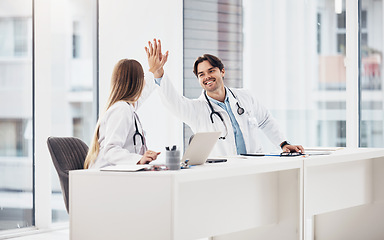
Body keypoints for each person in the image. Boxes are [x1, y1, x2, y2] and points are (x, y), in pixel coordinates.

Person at [149, 39, 304, 156]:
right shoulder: (197, 110)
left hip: (255, 167)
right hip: (224, 175)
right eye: (201, 74)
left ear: (222, 71)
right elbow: (173, 102)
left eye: (211, 71)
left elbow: (266, 120)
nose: (207, 77)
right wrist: (158, 72)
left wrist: (283, 143)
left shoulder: (245, 97)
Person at [84, 40, 168, 169]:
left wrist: (156, 71)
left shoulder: (127, 107)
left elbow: (145, 92)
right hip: (105, 177)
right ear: (137, 82)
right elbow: (110, 151)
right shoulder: (121, 109)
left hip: (114, 175)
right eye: (142, 78)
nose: (144, 82)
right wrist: (139, 159)